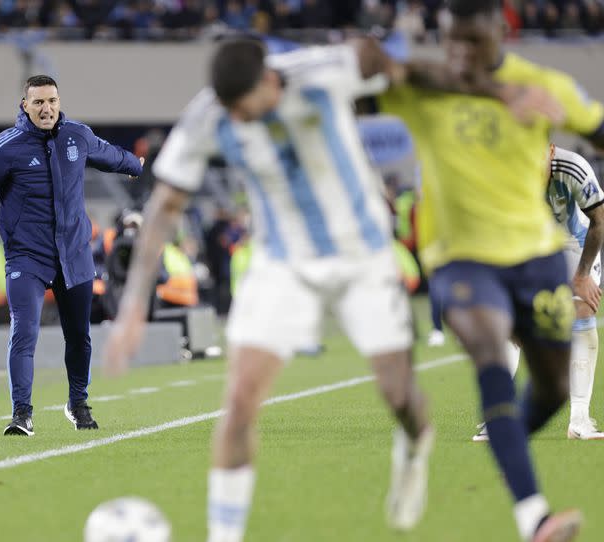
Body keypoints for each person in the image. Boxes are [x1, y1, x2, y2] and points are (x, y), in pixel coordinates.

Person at [101, 37, 559, 541]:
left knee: (402, 398)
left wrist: (500, 92)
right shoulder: (210, 115)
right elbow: (165, 206)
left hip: (364, 259)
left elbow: (410, 72)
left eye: (244, 109)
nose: (237, 120)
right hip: (284, 264)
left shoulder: (327, 69)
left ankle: (413, 448)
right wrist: (130, 310)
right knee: (239, 402)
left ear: (269, 82)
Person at [379, 1, 604, 540]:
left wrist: (580, 274)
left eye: (472, 43)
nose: (460, 54)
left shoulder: (544, 85)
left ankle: (494, 441)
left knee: (549, 386)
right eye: (451, 42)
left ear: (500, 34)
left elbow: (595, 128)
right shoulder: (426, 88)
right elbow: (370, 65)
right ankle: (535, 519)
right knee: (490, 351)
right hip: (460, 257)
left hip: (536, 257)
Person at [0, 75, 143, 436]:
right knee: (25, 330)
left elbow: (109, 154)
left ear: (59, 102)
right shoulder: (7, 147)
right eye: (38, 103)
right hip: (27, 257)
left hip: (75, 253)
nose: (46, 108)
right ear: (25, 106)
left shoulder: (76, 136)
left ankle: (78, 403)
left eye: (52, 101)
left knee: (79, 335)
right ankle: (22, 413)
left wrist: (135, 165)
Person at [473, 145, 604, 442]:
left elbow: (599, 221)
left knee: (581, 310)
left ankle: (580, 420)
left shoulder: (574, 167)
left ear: (551, 151)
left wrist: (582, 275)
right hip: (529, 243)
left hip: (575, 241)